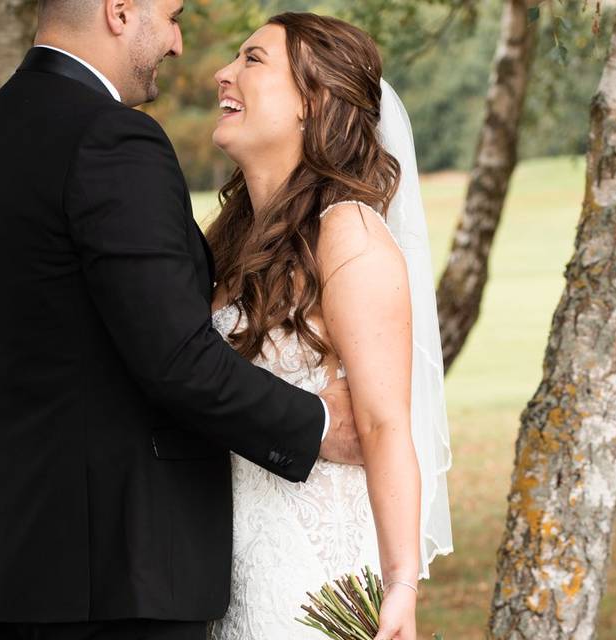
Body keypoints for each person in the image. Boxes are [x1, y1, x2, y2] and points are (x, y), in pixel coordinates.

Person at [0, 1, 364, 639]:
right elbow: (178, 359)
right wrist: (320, 425)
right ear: (121, 11)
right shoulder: (112, 138)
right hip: (125, 571)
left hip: (14, 572)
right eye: (173, 15)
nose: (180, 44)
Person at [206, 13, 453, 640]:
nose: (222, 75)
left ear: (311, 104)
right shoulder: (229, 241)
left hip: (313, 585)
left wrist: (400, 585)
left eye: (252, 61)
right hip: (228, 574)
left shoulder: (350, 235)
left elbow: (384, 423)